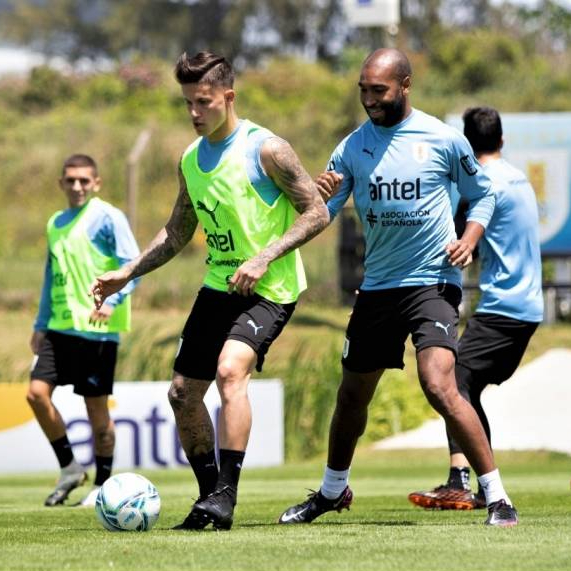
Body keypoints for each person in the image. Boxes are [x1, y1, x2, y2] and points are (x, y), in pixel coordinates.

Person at [278, 48, 519, 528]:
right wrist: (315, 195)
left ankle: (497, 497)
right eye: (363, 90)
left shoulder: (444, 140)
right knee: (352, 395)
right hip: (379, 287)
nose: (369, 99)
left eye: (379, 91)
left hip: (432, 281)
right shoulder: (351, 147)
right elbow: (321, 214)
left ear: (405, 86)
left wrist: (470, 237)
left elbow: (482, 195)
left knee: (439, 384)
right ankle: (331, 491)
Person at [90, 51, 329, 531]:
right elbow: (176, 233)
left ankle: (226, 495)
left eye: (204, 101)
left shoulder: (267, 150)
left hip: (271, 287)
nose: (195, 113)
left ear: (229, 97)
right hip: (218, 286)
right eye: (187, 104)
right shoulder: (190, 159)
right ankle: (209, 502)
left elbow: (317, 211)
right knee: (181, 394)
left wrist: (263, 257)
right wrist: (128, 272)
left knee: (229, 370)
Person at [408, 106, 543, 511]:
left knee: (451, 383)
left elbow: (447, 231)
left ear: (466, 144)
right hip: (526, 306)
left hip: (504, 306)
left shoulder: (480, 184)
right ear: (501, 140)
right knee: (466, 386)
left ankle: (461, 481)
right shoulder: (520, 179)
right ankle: (478, 482)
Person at [28, 154, 139, 507]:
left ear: (96, 183)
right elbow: (51, 276)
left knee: (97, 414)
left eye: (84, 181)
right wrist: (40, 324)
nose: (77, 186)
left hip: (96, 330)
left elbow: (133, 265)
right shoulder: (55, 222)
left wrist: (114, 301)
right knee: (35, 394)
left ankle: (103, 485)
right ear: (61, 183)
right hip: (60, 328)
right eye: (70, 180)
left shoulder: (108, 217)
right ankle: (70, 468)